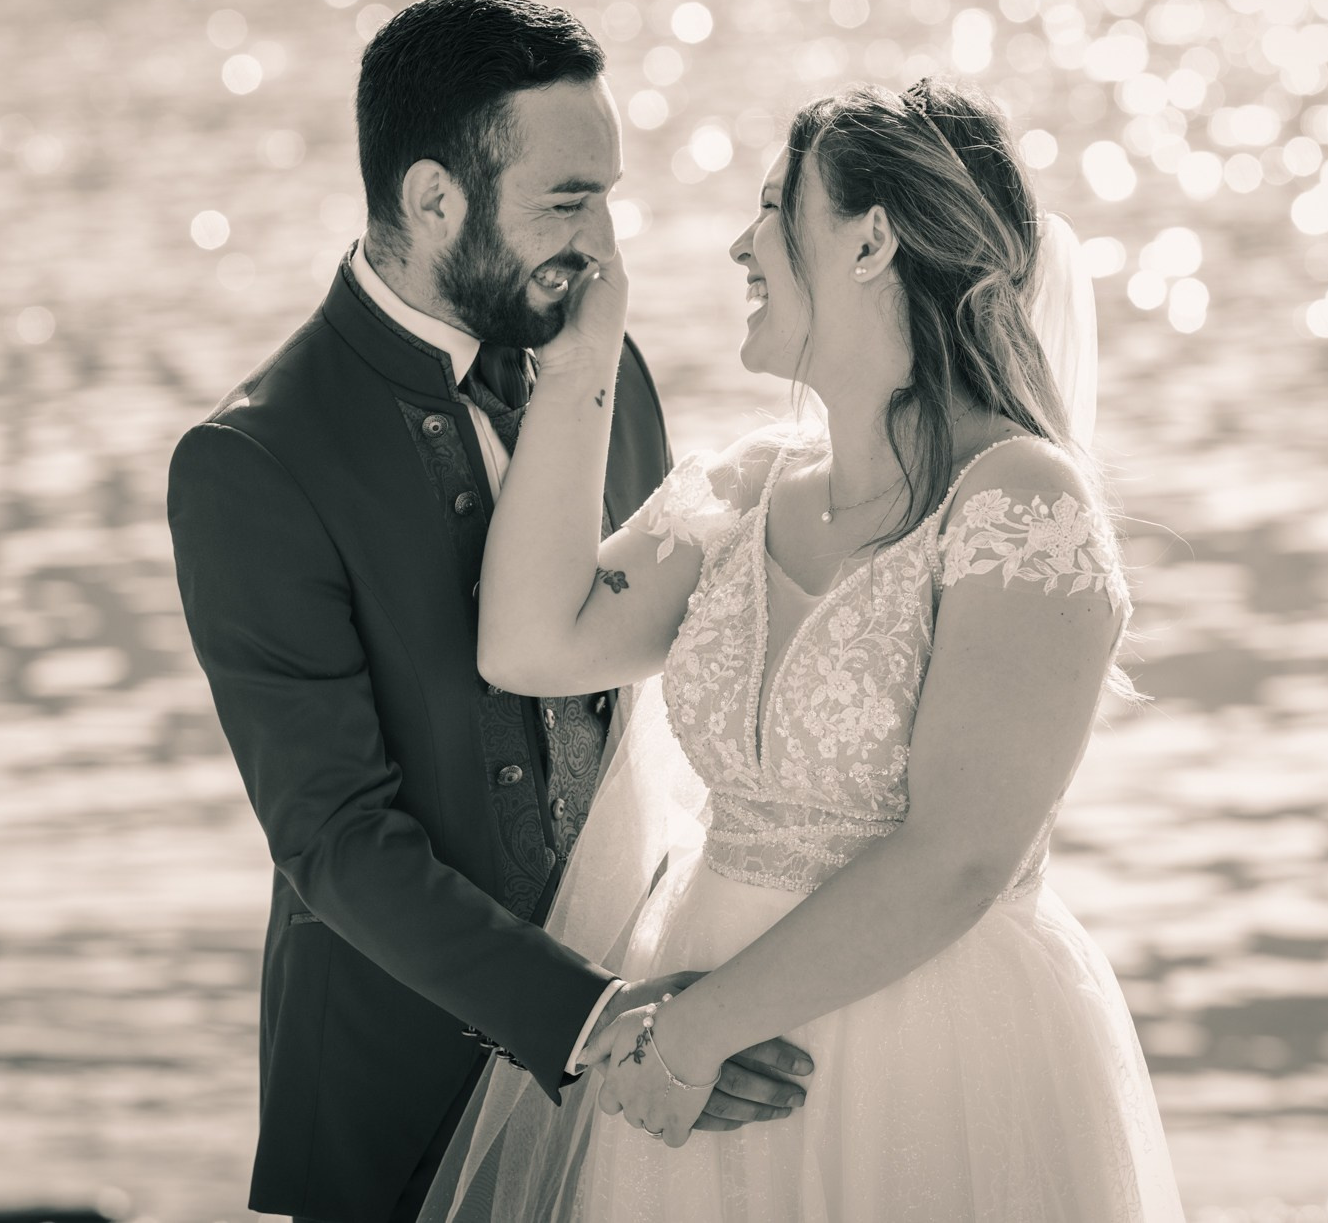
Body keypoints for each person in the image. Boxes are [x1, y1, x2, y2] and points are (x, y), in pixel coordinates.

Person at [429, 77, 1186, 1221]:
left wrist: (690, 1038)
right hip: (700, 1054)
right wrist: (583, 365)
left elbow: (958, 855)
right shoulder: (745, 486)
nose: (741, 242)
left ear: (871, 240)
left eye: (776, 208)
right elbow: (533, 642)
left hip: (920, 1056)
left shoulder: (1022, 506)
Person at [166, 0, 808, 1223]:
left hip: (650, 1089)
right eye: (568, 202)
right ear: (430, 199)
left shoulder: (601, 362)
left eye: (608, 195)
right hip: (400, 1103)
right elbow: (335, 838)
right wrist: (585, 1016)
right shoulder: (250, 461)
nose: (604, 246)